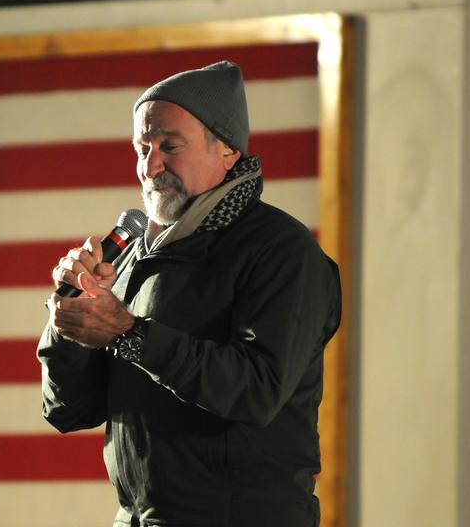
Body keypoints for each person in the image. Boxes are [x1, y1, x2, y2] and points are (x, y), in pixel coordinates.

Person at [37, 61, 341, 527]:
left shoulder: (281, 250)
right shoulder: (131, 255)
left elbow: (256, 391)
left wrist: (127, 332)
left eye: (169, 146)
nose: (149, 165)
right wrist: (72, 324)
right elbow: (67, 410)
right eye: (142, 147)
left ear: (227, 150)